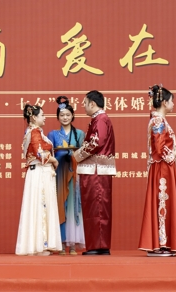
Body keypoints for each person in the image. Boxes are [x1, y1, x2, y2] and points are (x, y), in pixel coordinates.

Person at [139, 85, 176, 257]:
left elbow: (164, 145)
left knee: (164, 202)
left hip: (163, 166)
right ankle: (161, 243)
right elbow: (160, 149)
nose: (173, 104)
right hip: (162, 168)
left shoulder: (158, 120)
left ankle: (163, 242)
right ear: (165, 102)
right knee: (163, 203)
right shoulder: (158, 121)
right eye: (172, 101)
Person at [16, 104, 62, 256]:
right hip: (40, 173)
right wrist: (54, 160)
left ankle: (37, 245)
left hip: (38, 172)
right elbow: (39, 154)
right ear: (34, 117)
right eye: (42, 115)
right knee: (41, 206)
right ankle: (40, 245)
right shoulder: (35, 132)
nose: (45, 117)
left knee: (38, 206)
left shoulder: (33, 132)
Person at [73, 90, 115, 255]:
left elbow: (97, 142)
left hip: (96, 171)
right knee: (97, 207)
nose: (84, 107)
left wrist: (78, 155)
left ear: (92, 103)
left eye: (85, 103)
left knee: (96, 207)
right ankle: (99, 245)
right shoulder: (100, 119)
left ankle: (98, 246)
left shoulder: (101, 119)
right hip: (97, 170)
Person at [47, 96, 86, 255]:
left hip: (74, 173)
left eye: (68, 115)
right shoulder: (53, 134)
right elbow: (49, 155)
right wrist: (61, 153)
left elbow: (83, 154)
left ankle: (72, 244)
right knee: (60, 205)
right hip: (59, 173)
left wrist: (73, 154)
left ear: (72, 116)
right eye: (62, 115)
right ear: (58, 117)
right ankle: (61, 243)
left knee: (73, 206)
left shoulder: (80, 134)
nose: (65, 118)